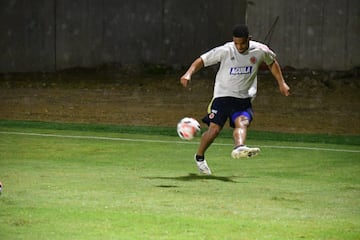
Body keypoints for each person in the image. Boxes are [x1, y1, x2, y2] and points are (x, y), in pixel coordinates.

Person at [180, 24, 290, 175]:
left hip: (244, 98)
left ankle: (239, 147)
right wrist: (188, 73)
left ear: (249, 39)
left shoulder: (260, 50)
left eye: (243, 43)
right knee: (214, 130)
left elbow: (272, 63)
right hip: (222, 96)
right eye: (236, 43)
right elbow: (202, 60)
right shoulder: (226, 50)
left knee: (242, 122)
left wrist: (281, 83)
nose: (239, 47)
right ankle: (199, 157)